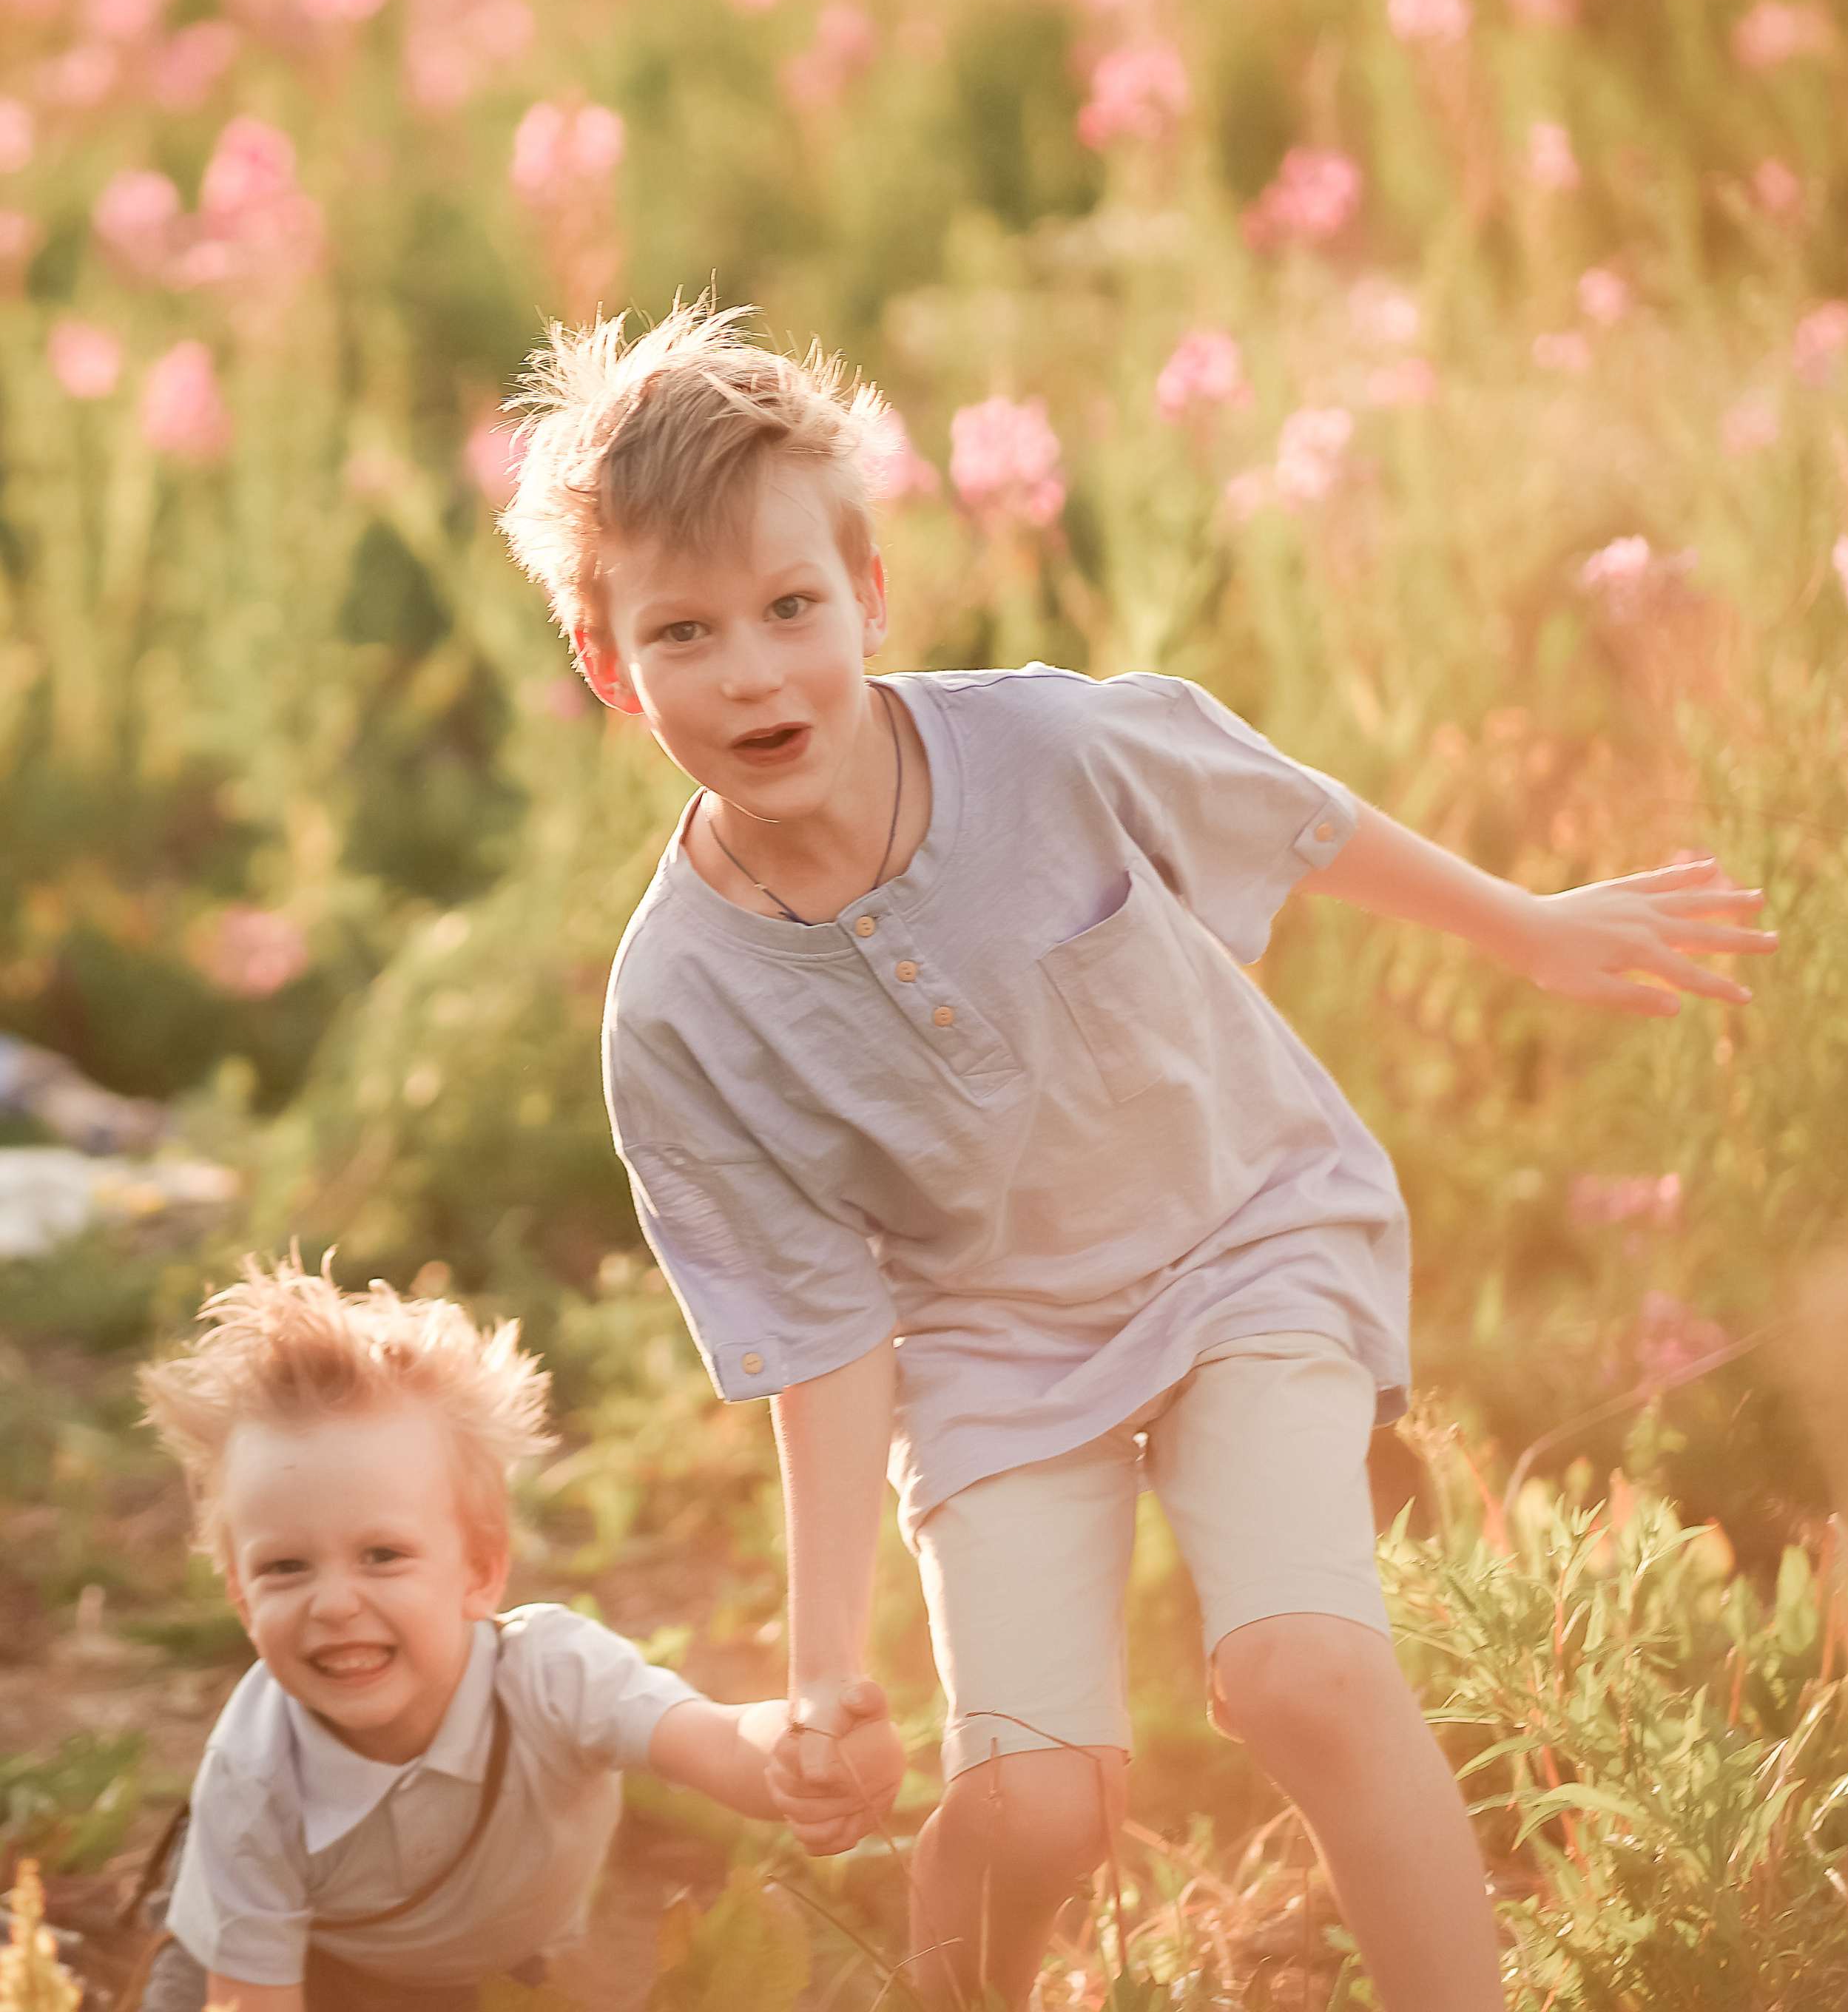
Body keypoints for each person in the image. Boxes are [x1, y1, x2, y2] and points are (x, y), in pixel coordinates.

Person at [499, 300, 1777, 2011]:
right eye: (684, 632)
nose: (752, 672)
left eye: (791, 607)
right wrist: (818, 1674)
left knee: (1304, 1672)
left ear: (868, 592)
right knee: (1036, 1807)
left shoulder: (1049, 750)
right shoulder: (677, 1011)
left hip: (1242, 1232)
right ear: (606, 664)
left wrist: (1520, 923)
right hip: (985, 1344)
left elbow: (1283, 812)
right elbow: (822, 1341)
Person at [132, 1254, 887, 2012]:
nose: (333, 1603)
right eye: (286, 1567)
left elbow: (719, 1743)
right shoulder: (252, 1773)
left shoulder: (554, 1675)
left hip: (491, 1973)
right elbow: (252, 2000)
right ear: (242, 1599)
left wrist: (802, 1753)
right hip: (295, 1965)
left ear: (481, 1571)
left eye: (383, 1555)